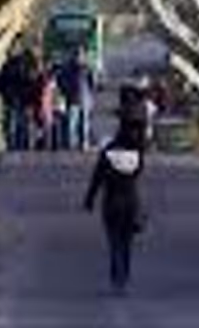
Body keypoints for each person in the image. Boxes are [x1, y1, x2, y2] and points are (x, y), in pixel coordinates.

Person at [83, 104, 148, 295]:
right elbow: (137, 172)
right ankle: (123, 277)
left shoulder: (108, 151)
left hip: (111, 202)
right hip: (130, 202)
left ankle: (116, 275)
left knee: (114, 243)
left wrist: (89, 199)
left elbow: (97, 177)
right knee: (127, 244)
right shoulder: (137, 153)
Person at [57, 47, 95, 150]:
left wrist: (91, 97)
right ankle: (71, 144)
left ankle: (83, 143)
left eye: (81, 55)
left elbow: (92, 83)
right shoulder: (67, 69)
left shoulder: (87, 68)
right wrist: (66, 92)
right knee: (72, 124)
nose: (79, 57)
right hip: (73, 99)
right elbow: (60, 82)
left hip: (85, 99)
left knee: (84, 124)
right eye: (77, 55)